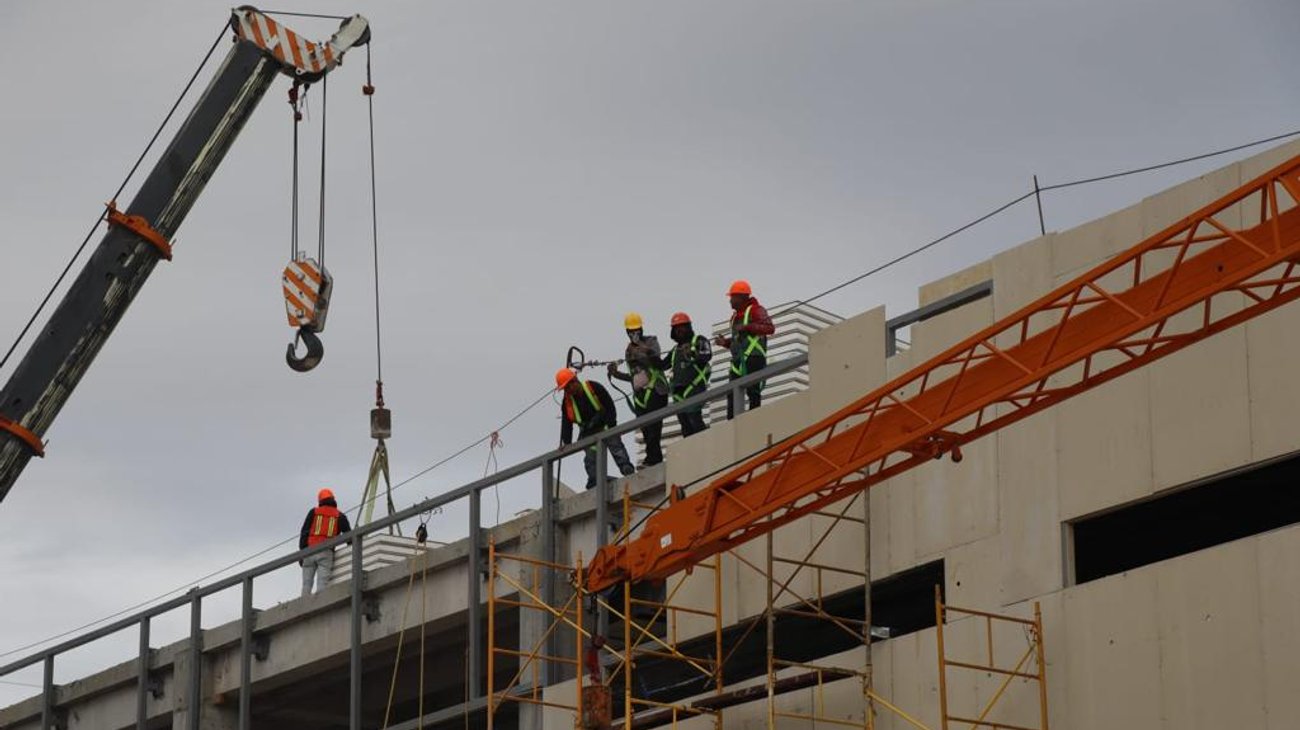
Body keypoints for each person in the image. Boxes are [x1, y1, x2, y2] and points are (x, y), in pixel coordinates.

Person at [556, 368, 636, 490]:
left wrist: (611, 427)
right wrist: (566, 443)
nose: (568, 391)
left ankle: (626, 469)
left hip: (605, 425)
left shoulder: (593, 387)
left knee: (616, 447)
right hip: (588, 432)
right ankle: (595, 480)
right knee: (591, 459)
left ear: (575, 381)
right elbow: (566, 424)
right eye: (565, 389)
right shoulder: (567, 403)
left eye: (568, 387)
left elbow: (609, 405)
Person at [608, 312, 669, 467]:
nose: (634, 334)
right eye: (631, 331)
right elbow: (633, 376)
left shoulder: (651, 341)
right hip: (641, 395)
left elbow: (656, 360)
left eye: (637, 330)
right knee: (646, 429)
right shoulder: (628, 351)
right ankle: (652, 459)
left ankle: (653, 459)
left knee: (654, 427)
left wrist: (641, 348)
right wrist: (616, 373)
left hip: (656, 390)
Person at [714, 280, 775, 419]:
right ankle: (733, 424)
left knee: (753, 392)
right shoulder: (735, 317)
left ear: (741, 297)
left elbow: (770, 328)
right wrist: (725, 343)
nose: (730, 300)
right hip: (738, 361)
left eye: (732, 297)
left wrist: (748, 327)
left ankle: (753, 421)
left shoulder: (756, 310)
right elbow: (739, 340)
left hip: (753, 358)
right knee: (732, 393)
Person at [299, 487, 352, 597]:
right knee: (322, 584)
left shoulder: (313, 512)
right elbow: (349, 536)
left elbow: (304, 532)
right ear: (333, 500)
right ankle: (320, 608)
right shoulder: (339, 515)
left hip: (309, 551)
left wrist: (302, 553)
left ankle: (303, 607)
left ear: (320, 501)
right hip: (326, 552)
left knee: (306, 584)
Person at [667, 311, 712, 437]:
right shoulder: (675, 350)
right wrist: (647, 356)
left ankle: (705, 444)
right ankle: (691, 452)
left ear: (688, 327)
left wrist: (693, 354)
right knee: (685, 424)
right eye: (676, 328)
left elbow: (707, 355)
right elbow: (662, 365)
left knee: (694, 419)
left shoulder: (699, 340)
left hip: (695, 387)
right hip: (679, 393)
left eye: (682, 327)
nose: (679, 330)